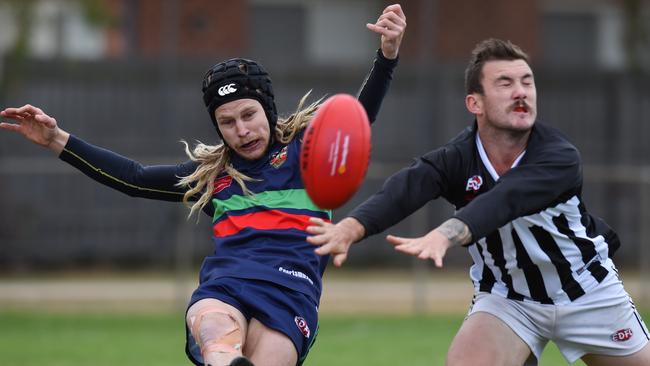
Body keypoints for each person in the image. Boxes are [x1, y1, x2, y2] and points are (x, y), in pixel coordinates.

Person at [0, 4, 406, 366]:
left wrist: (387, 57)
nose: (242, 130)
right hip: (225, 287)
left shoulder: (307, 154)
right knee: (213, 331)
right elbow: (135, 178)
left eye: (249, 115)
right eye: (227, 123)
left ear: (268, 108)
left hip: (289, 295)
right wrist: (55, 139)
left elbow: (358, 117)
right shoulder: (214, 178)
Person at [306, 38, 650, 366]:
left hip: (586, 292)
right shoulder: (459, 158)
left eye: (527, 82)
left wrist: (445, 234)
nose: (521, 92)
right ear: (475, 103)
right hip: (508, 299)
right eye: (505, 83)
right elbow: (408, 186)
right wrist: (350, 228)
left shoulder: (558, 156)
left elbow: (506, 199)